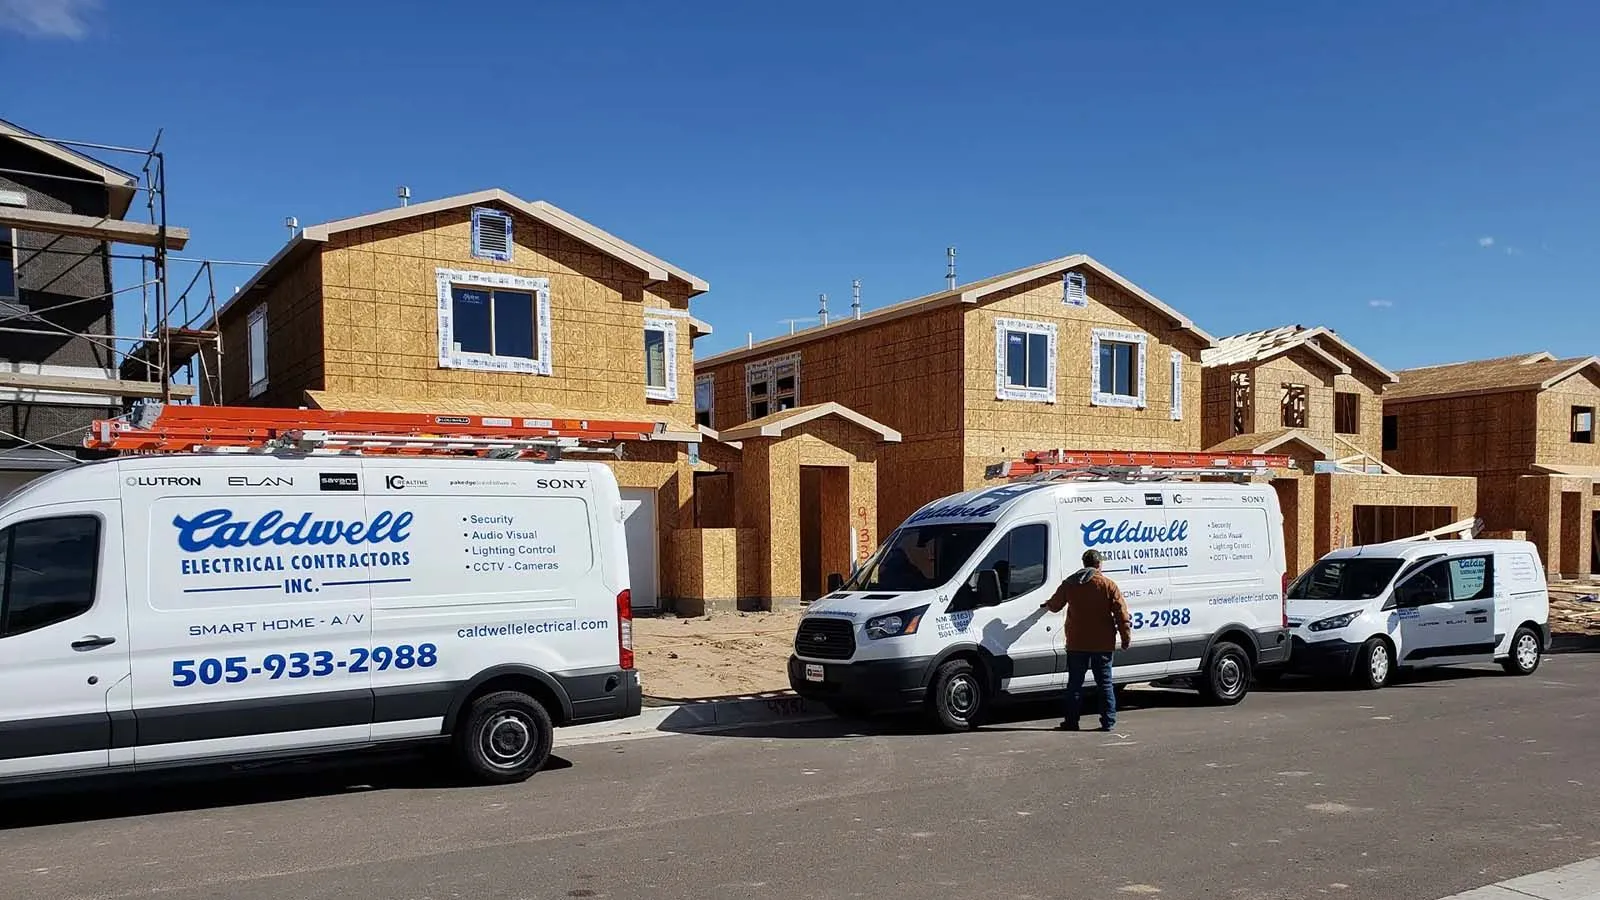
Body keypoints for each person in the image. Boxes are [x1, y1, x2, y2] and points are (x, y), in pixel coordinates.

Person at [1042, 549, 1132, 732]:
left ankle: (1071, 722)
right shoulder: (1108, 585)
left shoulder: (1070, 583)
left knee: (1075, 684)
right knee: (1105, 683)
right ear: (1099, 564)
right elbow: (1121, 614)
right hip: (1102, 643)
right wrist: (1125, 638)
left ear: (1084, 563)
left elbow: (1055, 605)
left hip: (1077, 643)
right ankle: (1108, 722)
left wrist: (1047, 605)